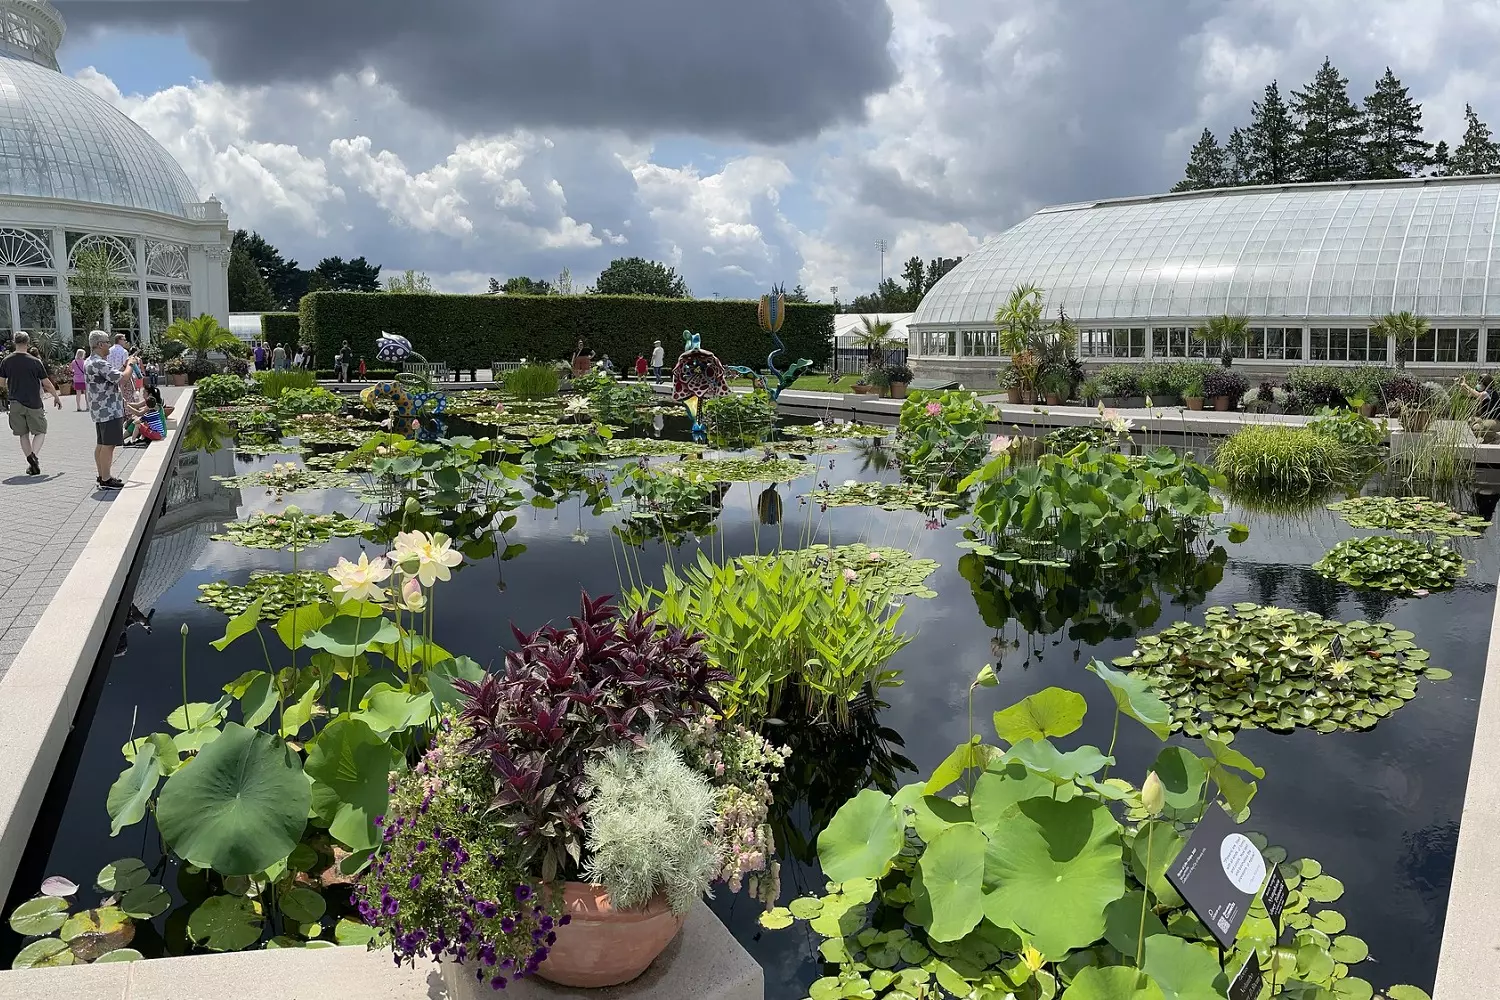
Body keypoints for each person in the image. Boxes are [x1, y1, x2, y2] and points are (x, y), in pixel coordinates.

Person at [0, 332, 61, 475]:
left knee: (23, 433)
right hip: (34, 402)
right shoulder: (35, 361)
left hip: (15, 401)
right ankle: (33, 456)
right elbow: (46, 383)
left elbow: (1, 383)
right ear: (28, 343)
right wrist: (56, 397)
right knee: (40, 431)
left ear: (15, 342)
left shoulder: (6, 361)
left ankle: (31, 461)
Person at [85, 329, 127, 490]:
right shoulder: (99, 363)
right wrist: (130, 364)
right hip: (109, 409)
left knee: (102, 444)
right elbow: (122, 378)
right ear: (100, 344)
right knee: (108, 445)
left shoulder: (90, 361)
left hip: (99, 409)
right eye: (108, 342)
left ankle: (102, 475)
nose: (110, 345)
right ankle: (106, 479)